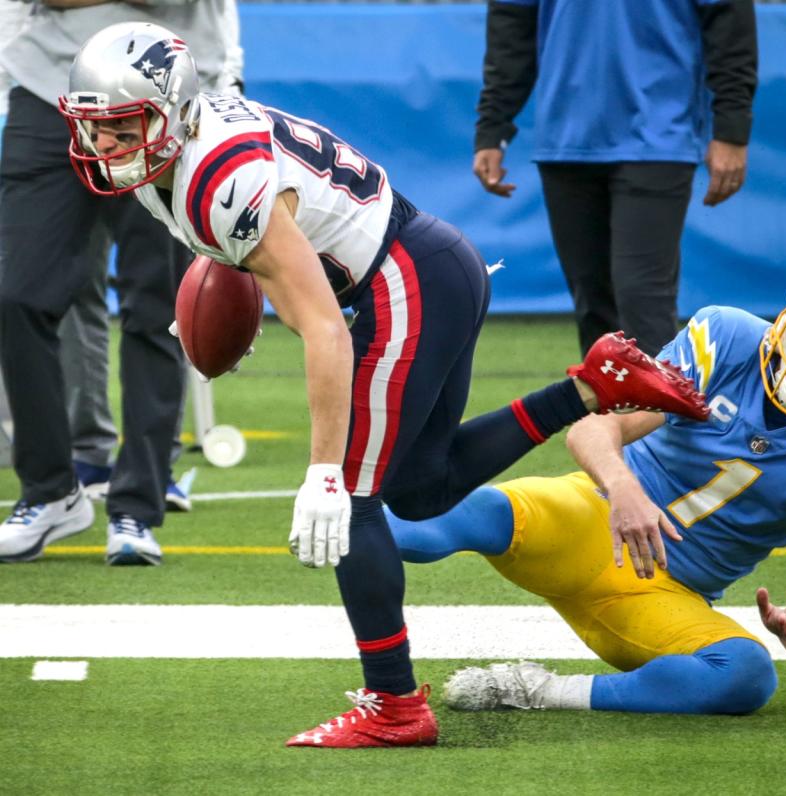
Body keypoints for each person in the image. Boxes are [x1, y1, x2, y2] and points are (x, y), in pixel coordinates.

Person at [56, 22, 710, 747]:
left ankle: (395, 705)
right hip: (422, 269)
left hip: (404, 283)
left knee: (354, 505)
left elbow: (324, 332)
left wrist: (323, 473)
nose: (106, 148)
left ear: (172, 113)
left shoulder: (218, 175)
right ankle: (592, 388)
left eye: (123, 127)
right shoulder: (183, 151)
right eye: (94, 128)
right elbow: (269, 252)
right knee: (421, 491)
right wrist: (214, 313)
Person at [388, 261, 786, 715]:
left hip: (662, 595)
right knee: (421, 527)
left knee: (745, 674)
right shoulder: (726, 338)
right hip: (587, 520)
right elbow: (597, 427)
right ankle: (342, 518)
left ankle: (541, 690)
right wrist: (623, 488)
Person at [0, 0, 244, 567]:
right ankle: (49, 492)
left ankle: (137, 502)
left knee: (159, 306)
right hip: (50, 88)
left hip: (167, 97)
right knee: (14, 295)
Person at [473, 0, 757, 357]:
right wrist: (493, 126)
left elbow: (729, 18)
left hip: (658, 138)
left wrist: (732, 129)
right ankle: (609, 411)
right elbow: (512, 23)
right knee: (593, 308)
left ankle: (661, 412)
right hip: (566, 141)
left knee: (642, 300)